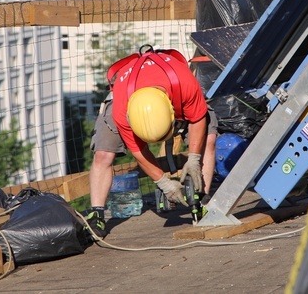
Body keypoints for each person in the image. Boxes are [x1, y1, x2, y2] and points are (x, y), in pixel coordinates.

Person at [85, 47, 217, 239]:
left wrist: (194, 159)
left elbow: (197, 119)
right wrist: (164, 183)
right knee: (103, 154)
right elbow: (138, 150)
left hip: (175, 88)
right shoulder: (123, 112)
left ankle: (200, 199)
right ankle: (96, 214)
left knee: (209, 137)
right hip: (127, 94)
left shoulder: (184, 83)